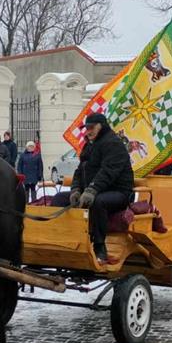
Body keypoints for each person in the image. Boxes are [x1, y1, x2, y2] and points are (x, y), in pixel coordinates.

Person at [71, 112, 134, 265]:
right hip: (93, 191)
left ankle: (100, 247)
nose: (88, 131)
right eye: (86, 128)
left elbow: (108, 171)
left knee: (98, 202)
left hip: (118, 192)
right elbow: (80, 170)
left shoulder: (113, 143)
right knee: (60, 199)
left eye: (91, 127)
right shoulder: (89, 145)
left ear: (102, 126)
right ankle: (66, 240)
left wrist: (92, 190)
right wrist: (76, 189)